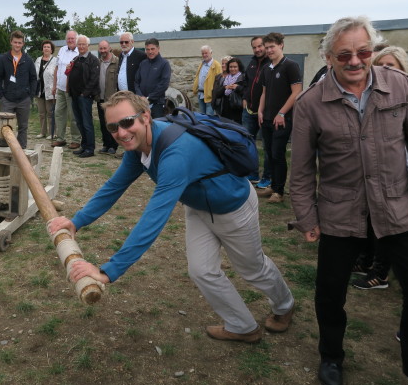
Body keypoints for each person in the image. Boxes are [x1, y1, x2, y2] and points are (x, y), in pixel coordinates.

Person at [49, 90, 294, 343]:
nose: (121, 133)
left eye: (126, 122)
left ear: (145, 117)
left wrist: (108, 271)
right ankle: (243, 326)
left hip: (233, 208)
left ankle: (285, 305)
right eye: (113, 127)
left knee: (252, 269)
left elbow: (154, 217)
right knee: (202, 271)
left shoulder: (175, 154)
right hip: (198, 207)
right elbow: (114, 186)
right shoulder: (138, 145)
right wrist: (76, 221)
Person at [289, 16, 408, 385]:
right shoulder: (311, 104)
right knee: (330, 293)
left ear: (372, 51)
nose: (355, 61)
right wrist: (306, 217)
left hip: (397, 207)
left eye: (363, 52)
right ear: (328, 57)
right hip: (339, 213)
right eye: (344, 54)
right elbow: (300, 171)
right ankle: (331, 355)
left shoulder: (400, 86)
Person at [350, 45, 408, 291]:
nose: (385, 69)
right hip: (373, 172)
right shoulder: (369, 96)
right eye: (381, 65)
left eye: (391, 65)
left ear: (402, 71)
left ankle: (381, 273)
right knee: (371, 222)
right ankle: (367, 262)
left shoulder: (407, 96)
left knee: (390, 226)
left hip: (401, 172)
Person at [257, 33, 302, 204]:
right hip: (267, 118)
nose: (268, 50)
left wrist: (282, 113)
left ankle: (279, 191)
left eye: (271, 47)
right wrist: (260, 111)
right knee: (269, 153)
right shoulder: (266, 68)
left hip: (283, 119)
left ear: (281, 45)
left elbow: (297, 91)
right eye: (266, 47)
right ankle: (273, 185)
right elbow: (264, 92)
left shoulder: (290, 66)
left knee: (277, 154)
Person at [0, 30, 37, 149]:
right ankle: (5, 148)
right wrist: (1, 95)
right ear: (11, 42)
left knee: (23, 126)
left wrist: (30, 95)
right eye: (15, 42)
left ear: (23, 44)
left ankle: (21, 149)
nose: (17, 45)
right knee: (5, 125)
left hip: (24, 99)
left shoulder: (28, 60)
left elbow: (34, 78)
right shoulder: (3, 59)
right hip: (7, 99)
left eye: (20, 43)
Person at [241, 37, 271, 185]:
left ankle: (267, 177)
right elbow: (246, 82)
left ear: (265, 46)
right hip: (249, 111)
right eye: (254, 47)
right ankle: (253, 174)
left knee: (267, 146)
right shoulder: (252, 63)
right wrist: (245, 98)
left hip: (266, 113)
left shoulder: (272, 63)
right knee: (248, 144)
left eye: (260, 46)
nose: (257, 49)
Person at [67, 35, 100, 158]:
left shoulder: (93, 60)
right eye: (79, 44)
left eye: (83, 44)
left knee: (87, 123)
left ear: (88, 46)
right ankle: (84, 146)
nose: (81, 46)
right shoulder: (75, 59)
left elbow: (94, 79)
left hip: (85, 97)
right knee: (79, 123)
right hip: (74, 96)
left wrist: (84, 93)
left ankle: (90, 148)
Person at [51, 30, 81, 149]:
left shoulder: (79, 51)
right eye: (68, 38)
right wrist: (54, 86)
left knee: (73, 116)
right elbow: (57, 68)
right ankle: (60, 138)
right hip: (60, 88)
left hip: (72, 90)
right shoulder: (62, 50)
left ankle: (76, 139)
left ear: (76, 39)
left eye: (72, 38)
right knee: (59, 114)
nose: (70, 40)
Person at [135, 38, 171, 119]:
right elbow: (136, 82)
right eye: (147, 49)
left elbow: (164, 85)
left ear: (158, 48)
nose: (150, 52)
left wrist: (149, 98)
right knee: (142, 129)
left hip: (157, 105)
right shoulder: (143, 63)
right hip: (142, 104)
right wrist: (140, 96)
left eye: (152, 49)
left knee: (155, 129)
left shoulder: (164, 64)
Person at [96, 39, 119, 155]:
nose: (103, 50)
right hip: (100, 98)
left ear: (109, 48)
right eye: (101, 48)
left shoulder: (117, 62)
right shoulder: (98, 62)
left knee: (112, 123)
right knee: (102, 123)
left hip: (112, 99)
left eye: (105, 48)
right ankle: (106, 144)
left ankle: (113, 145)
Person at [34, 40, 57, 140]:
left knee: (51, 113)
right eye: (44, 47)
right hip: (39, 90)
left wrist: (55, 87)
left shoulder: (55, 60)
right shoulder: (38, 60)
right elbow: (35, 74)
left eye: (48, 47)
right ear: (42, 49)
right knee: (42, 113)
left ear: (51, 50)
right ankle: (42, 132)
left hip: (50, 90)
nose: (46, 48)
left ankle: (53, 132)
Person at [211, 57, 245, 123]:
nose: (232, 69)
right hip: (224, 110)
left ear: (239, 67)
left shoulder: (243, 78)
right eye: (230, 67)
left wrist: (237, 88)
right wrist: (225, 87)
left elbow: (246, 93)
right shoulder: (226, 78)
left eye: (235, 67)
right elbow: (217, 94)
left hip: (237, 111)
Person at [191, 45, 221, 114]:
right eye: (203, 53)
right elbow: (198, 77)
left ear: (211, 53)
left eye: (206, 53)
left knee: (209, 119)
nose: (204, 55)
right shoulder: (202, 64)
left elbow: (219, 81)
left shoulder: (217, 65)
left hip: (210, 96)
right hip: (201, 94)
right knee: (202, 117)